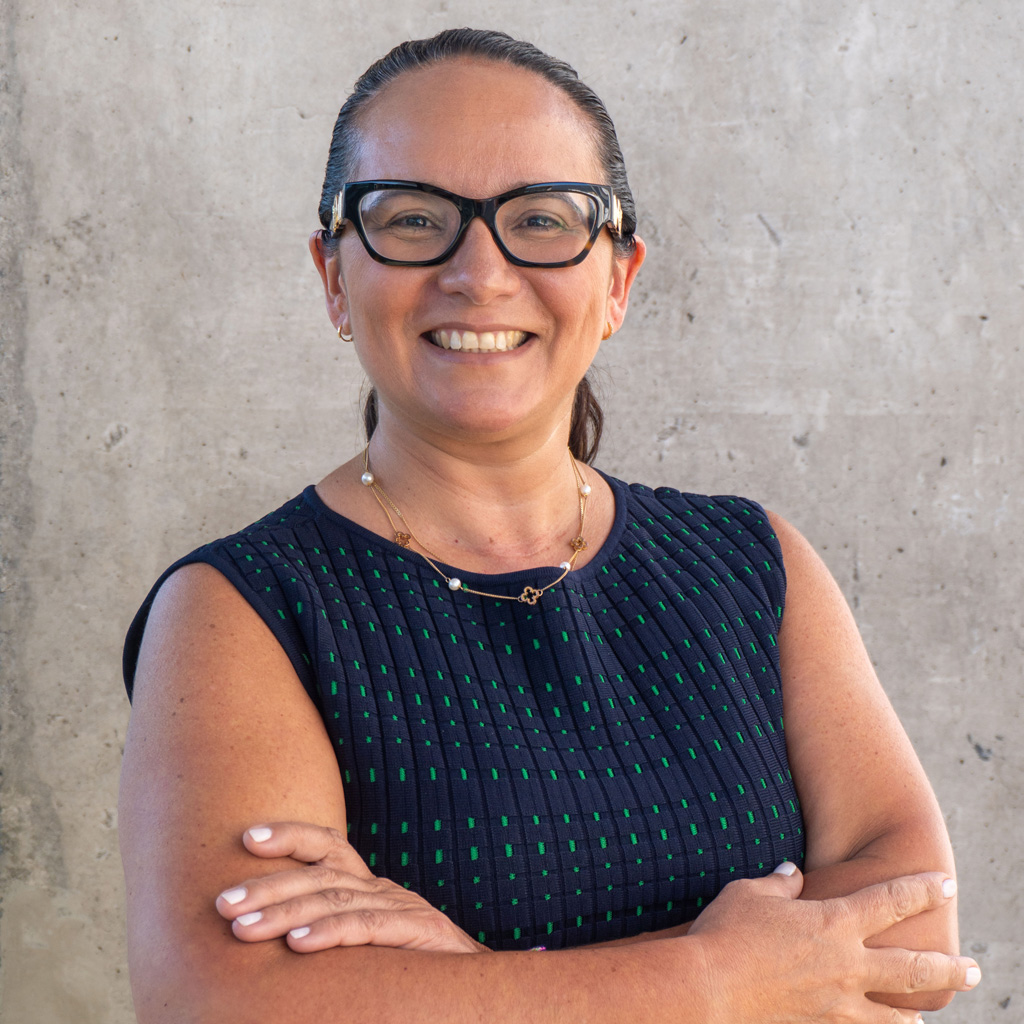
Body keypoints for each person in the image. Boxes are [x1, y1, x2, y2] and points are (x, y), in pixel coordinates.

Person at [119, 28, 980, 1024]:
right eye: (411, 218)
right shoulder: (239, 612)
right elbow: (226, 1004)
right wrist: (716, 981)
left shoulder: (754, 563)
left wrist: (474, 975)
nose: (479, 272)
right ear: (333, 277)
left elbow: (917, 939)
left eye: (540, 219)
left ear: (617, 281)